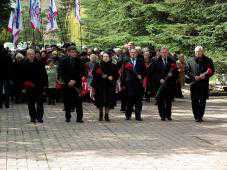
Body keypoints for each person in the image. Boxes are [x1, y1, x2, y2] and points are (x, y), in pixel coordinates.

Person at [185, 46, 214, 122]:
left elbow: (212, 71)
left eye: (199, 51)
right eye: (196, 52)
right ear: (195, 52)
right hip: (194, 84)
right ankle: (196, 116)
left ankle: (200, 116)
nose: (198, 53)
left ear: (202, 51)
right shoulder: (190, 60)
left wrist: (205, 75)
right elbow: (187, 72)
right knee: (194, 101)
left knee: (202, 101)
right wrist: (194, 77)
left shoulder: (208, 60)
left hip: (203, 84)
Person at [149, 47, 178, 121]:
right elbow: (153, 73)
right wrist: (159, 79)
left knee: (168, 101)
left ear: (168, 53)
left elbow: (176, 72)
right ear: (160, 53)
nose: (164, 54)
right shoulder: (155, 61)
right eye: (163, 52)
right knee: (160, 100)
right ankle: (162, 115)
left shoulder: (172, 61)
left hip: (169, 84)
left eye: (166, 52)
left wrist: (172, 75)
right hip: (159, 85)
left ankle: (168, 115)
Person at [58, 46, 85, 123]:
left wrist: (74, 80)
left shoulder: (79, 61)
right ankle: (68, 116)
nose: (74, 53)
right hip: (67, 84)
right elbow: (61, 72)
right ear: (68, 52)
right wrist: (68, 81)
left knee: (78, 101)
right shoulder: (63, 60)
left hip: (77, 84)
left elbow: (81, 72)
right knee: (67, 101)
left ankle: (79, 118)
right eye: (72, 52)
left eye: (75, 52)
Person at [22, 49, 48, 123]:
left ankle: (39, 117)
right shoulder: (24, 63)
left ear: (35, 54)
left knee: (39, 103)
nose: (31, 55)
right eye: (29, 54)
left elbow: (44, 75)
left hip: (39, 86)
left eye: (32, 54)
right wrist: (24, 85)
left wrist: (45, 85)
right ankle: (32, 117)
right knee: (31, 103)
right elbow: (21, 76)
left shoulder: (39, 63)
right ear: (27, 55)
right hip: (29, 87)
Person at [91, 53, 119, 121]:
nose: (106, 58)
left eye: (107, 56)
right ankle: (101, 114)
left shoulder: (113, 65)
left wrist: (112, 77)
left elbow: (117, 75)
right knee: (100, 101)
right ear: (102, 57)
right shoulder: (98, 65)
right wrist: (101, 76)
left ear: (109, 57)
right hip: (100, 86)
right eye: (104, 56)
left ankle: (106, 115)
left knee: (108, 101)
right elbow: (93, 73)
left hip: (109, 86)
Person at [121, 48, 145, 121]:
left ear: (137, 53)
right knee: (129, 100)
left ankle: (138, 116)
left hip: (138, 84)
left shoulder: (140, 61)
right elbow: (123, 74)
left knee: (138, 101)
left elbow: (145, 71)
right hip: (129, 84)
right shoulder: (126, 61)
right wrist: (123, 84)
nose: (133, 54)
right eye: (131, 52)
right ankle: (128, 115)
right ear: (129, 53)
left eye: (134, 52)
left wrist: (142, 76)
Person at [0, 44, 12, 108]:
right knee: (7, 90)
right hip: (7, 75)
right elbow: (10, 67)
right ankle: (7, 104)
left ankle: (0, 104)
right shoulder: (8, 56)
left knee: (0, 90)